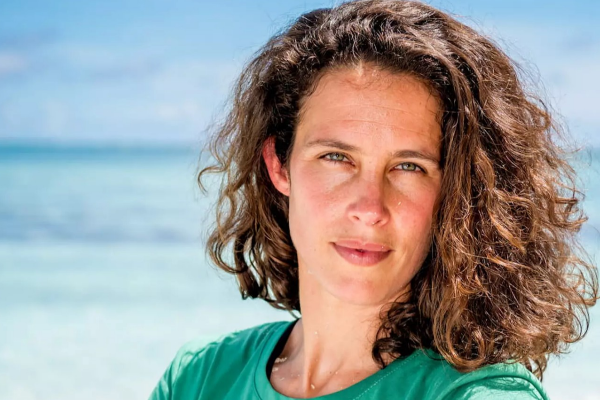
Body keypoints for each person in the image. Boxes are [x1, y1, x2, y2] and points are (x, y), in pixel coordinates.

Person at [149, 1, 598, 399]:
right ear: (279, 165)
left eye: (409, 167)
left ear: (457, 191)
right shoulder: (198, 378)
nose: (369, 208)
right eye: (336, 158)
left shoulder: (475, 394)